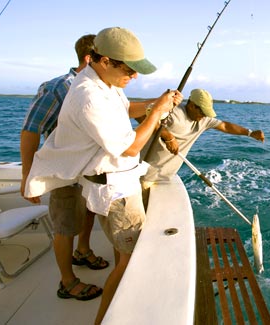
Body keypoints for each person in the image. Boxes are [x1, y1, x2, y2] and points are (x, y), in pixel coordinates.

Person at [23, 27, 182, 324]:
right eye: (130, 69)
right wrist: (158, 111)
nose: (134, 76)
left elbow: (124, 109)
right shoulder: (87, 96)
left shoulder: (104, 82)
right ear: (105, 60)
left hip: (114, 182)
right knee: (129, 262)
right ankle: (104, 319)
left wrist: (152, 104)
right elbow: (131, 146)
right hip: (116, 190)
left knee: (126, 258)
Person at [20, 34, 106, 302]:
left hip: (87, 170)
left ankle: (82, 251)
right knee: (65, 225)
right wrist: (27, 175)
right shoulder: (58, 87)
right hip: (64, 172)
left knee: (88, 212)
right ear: (90, 59)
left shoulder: (98, 88)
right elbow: (31, 130)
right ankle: (67, 282)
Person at [142, 88, 265, 190]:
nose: (204, 117)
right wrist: (167, 136)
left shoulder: (204, 119)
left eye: (206, 113)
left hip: (164, 177)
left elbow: (225, 126)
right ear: (191, 105)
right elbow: (147, 114)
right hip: (142, 175)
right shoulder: (173, 112)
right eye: (202, 112)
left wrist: (250, 133)